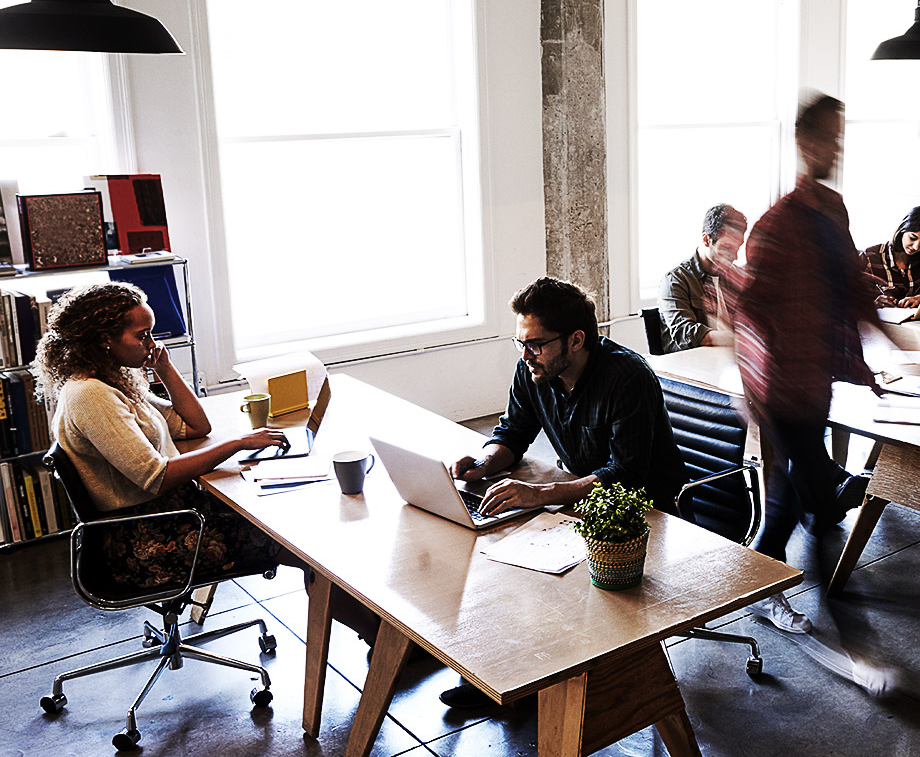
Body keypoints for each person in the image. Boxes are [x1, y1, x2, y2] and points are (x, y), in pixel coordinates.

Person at [37, 283, 379, 640]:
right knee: (302, 540)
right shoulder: (90, 395)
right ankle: (379, 637)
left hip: (170, 517)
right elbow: (156, 476)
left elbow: (195, 426)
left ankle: (377, 629)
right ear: (103, 339)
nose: (152, 344)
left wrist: (166, 371)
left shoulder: (113, 383)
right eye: (143, 336)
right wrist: (238, 443)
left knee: (293, 521)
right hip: (146, 542)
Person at [440, 277, 686, 707]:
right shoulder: (533, 369)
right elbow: (512, 433)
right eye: (520, 344)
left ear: (576, 339)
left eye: (536, 344)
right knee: (495, 551)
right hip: (583, 503)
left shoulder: (626, 377)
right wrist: (482, 463)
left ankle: (557, 686)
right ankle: (505, 675)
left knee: (531, 561)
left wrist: (544, 494)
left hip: (644, 514)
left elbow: (626, 475)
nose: (526, 354)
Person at [732, 92, 894, 695]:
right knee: (822, 514)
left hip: (817, 383)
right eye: (829, 137)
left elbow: (851, 283)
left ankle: (749, 591)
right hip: (781, 394)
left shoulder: (834, 208)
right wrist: (753, 397)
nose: (838, 148)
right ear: (804, 143)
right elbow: (747, 311)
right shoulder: (775, 225)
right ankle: (859, 652)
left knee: (781, 514)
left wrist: (885, 341)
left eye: (842, 137)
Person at [657, 203, 747, 352]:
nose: (735, 257)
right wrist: (738, 339)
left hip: (725, 361)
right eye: (727, 248)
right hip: (688, 367)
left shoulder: (734, 275)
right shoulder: (676, 280)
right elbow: (685, 334)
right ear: (707, 240)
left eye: (737, 247)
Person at [861, 205, 920, 309]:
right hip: (880, 322)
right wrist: (873, 304)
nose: (916, 246)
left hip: (914, 322)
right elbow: (845, 296)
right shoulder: (870, 256)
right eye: (912, 238)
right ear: (902, 230)